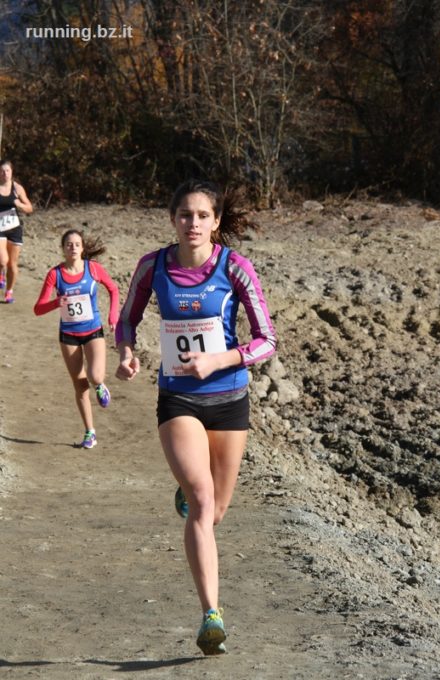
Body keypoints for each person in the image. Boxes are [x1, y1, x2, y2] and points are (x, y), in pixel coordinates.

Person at [115, 179, 277, 655]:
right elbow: (127, 319)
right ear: (173, 219)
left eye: (203, 216)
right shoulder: (154, 265)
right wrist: (126, 352)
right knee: (203, 502)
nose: (193, 224)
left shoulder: (235, 268)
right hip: (178, 399)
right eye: (185, 215)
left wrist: (220, 360)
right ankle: (212, 614)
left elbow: (267, 339)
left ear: (216, 222)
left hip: (228, 398)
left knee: (216, 510)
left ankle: (191, 491)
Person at [34, 229, 119, 449]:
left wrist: (113, 315)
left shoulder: (93, 269)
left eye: (77, 244)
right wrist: (56, 302)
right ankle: (90, 432)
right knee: (80, 385)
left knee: (94, 375)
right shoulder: (55, 274)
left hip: (92, 330)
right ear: (63, 248)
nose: (73, 247)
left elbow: (113, 289)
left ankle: (100, 385)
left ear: (82, 248)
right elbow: (38, 309)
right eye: (69, 244)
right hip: (68, 335)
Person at [0, 159, 33, 302]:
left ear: (12, 172)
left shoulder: (17, 188)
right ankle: (1, 273)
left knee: (12, 264)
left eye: (7, 170)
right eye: (1, 171)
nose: (4, 173)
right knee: (3, 261)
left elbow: (29, 208)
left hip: (14, 228)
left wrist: (19, 204)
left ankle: (9, 292)